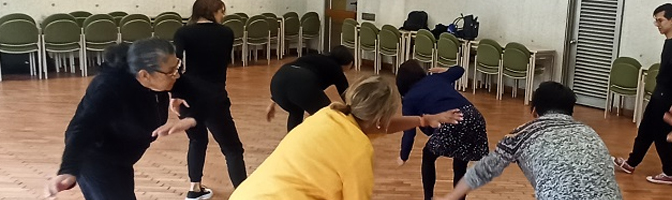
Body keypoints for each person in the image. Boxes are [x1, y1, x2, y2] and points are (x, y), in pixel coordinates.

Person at [229, 76, 464, 200]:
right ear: (381, 117)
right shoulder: (357, 151)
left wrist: (422, 120)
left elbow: (376, 125)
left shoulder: (331, 113)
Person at [43, 39, 196, 200]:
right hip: (96, 157)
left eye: (178, 66)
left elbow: (190, 89)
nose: (177, 75)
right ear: (145, 75)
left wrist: (188, 108)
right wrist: (68, 169)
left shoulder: (158, 77)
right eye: (172, 71)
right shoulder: (110, 88)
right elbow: (84, 127)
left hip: (123, 156)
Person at [436, 82, 623, 200]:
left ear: (534, 111)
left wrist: (452, 196)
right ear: (570, 111)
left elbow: (483, 170)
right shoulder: (589, 132)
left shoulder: (521, 135)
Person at [613, 2, 672, 185]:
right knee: (646, 129)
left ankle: (669, 173)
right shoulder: (670, 42)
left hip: (666, 96)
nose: (658, 24)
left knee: (660, 133)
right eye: (656, 21)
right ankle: (631, 163)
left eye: (660, 20)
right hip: (662, 93)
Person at [171, 0, 245, 198]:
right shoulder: (226, 33)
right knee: (232, 148)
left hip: (187, 93)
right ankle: (245, 192)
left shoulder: (183, 32)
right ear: (214, 11)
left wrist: (175, 94)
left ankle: (194, 189)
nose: (223, 16)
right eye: (222, 11)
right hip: (214, 96)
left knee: (197, 140)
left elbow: (175, 65)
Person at [394, 60, 490, 200]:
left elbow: (409, 130)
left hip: (452, 119)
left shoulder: (409, 99)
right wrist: (445, 70)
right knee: (461, 159)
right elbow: (460, 70)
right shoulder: (436, 78)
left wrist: (403, 155)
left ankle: (428, 198)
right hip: (474, 116)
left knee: (428, 155)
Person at [265, 46, 355, 131]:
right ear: (349, 63)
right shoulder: (336, 69)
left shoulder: (314, 57)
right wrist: (356, 113)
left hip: (277, 82)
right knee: (326, 114)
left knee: (296, 111)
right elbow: (346, 95)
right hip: (301, 83)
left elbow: (288, 77)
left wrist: (272, 102)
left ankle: (292, 143)